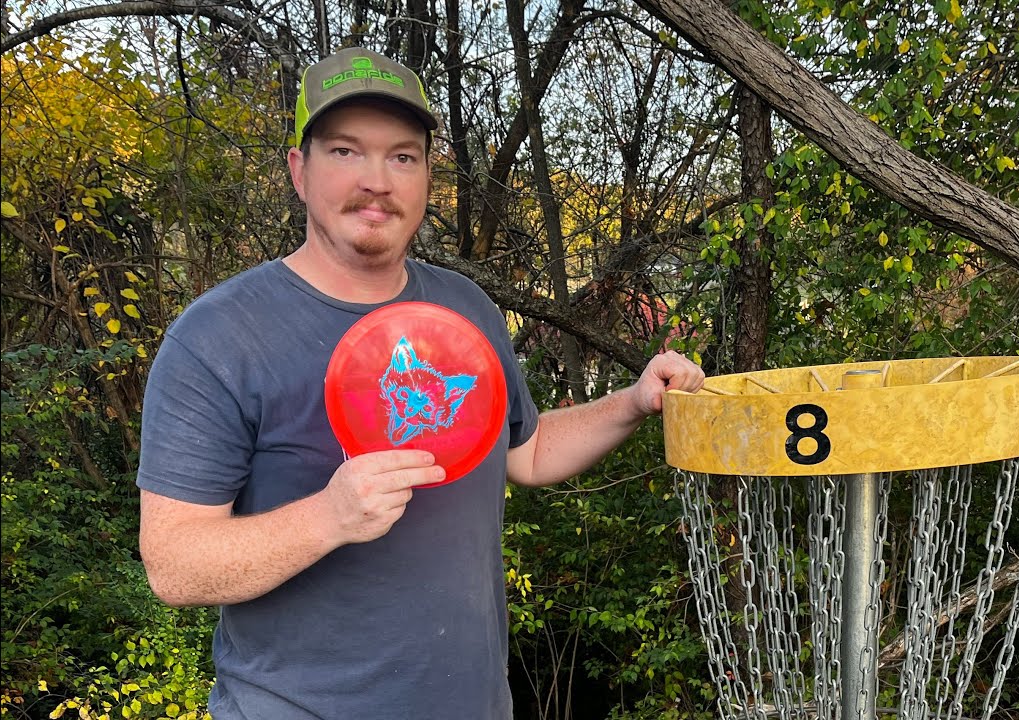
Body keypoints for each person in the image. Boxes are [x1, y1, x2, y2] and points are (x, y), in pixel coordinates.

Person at [136, 46, 704, 719]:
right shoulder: (220, 337)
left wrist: (634, 402)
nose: (377, 180)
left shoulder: (465, 311)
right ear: (299, 168)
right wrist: (330, 517)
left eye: (402, 156)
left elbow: (526, 452)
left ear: (428, 176)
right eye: (346, 151)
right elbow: (174, 565)